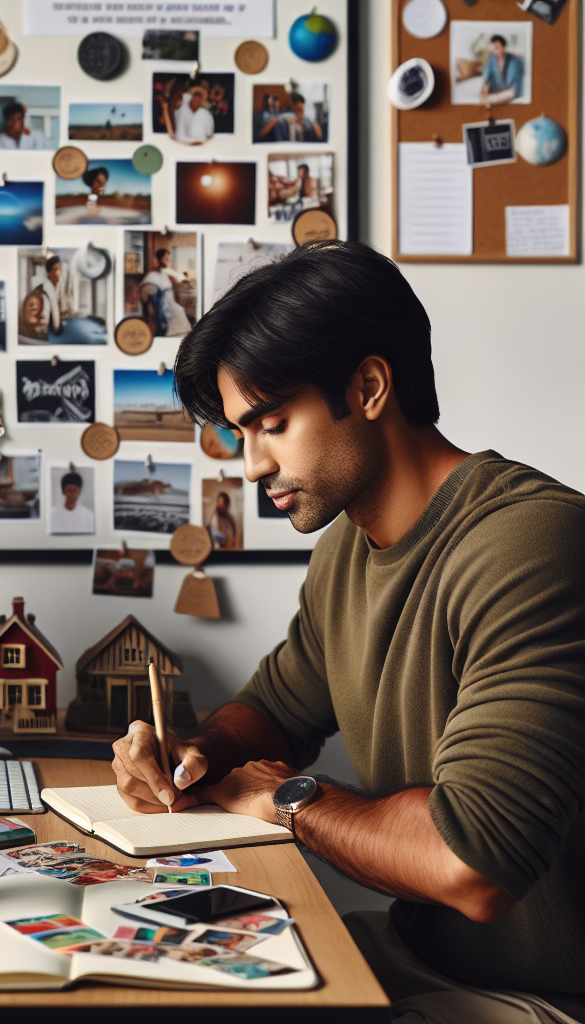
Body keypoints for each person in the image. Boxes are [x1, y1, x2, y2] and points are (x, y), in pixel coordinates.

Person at [111, 241, 584, 1023]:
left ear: (367, 387)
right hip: (416, 954)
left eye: (271, 423)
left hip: (542, 998)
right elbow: (278, 707)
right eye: (240, 434)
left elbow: (471, 860)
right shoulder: (345, 548)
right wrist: (194, 755)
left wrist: (286, 800)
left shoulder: (532, 545)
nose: (251, 465)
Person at [140, 248, 193, 336]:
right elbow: (146, 292)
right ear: (159, 259)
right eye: (165, 259)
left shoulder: (165, 274)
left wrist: (183, 283)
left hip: (170, 302)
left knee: (180, 310)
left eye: (168, 259)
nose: (167, 261)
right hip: (162, 304)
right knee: (179, 311)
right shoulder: (152, 275)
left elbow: (173, 283)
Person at [161, 80, 214, 145]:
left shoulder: (204, 114)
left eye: (201, 97)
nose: (198, 99)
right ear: (192, 96)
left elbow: (209, 135)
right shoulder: (183, 109)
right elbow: (178, 136)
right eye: (196, 95)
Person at [480, 34, 524, 107]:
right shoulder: (492, 59)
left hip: (508, 93)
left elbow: (516, 84)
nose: (499, 50)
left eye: (501, 47)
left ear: (504, 47)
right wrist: (485, 90)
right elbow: (487, 78)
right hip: (495, 92)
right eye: (496, 48)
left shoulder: (514, 60)